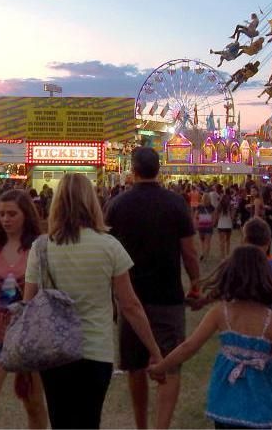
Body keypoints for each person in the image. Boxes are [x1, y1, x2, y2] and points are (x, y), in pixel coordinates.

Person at [25, 173, 165, 429]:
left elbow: (28, 303)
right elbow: (130, 305)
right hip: (95, 350)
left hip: (54, 350)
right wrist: (155, 351)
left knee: (60, 420)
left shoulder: (41, 248)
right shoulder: (109, 246)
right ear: (92, 202)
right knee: (90, 420)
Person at [148, 245, 272, 429]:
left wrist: (161, 367)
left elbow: (188, 347)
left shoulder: (220, 313)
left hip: (225, 407)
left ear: (230, 274)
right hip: (261, 411)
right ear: (266, 276)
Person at [105, 147, 200, 430]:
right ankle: (162, 426)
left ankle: (141, 425)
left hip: (130, 296)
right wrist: (195, 282)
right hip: (168, 296)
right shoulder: (175, 203)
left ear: (132, 171)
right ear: (160, 169)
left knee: (134, 365)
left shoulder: (118, 205)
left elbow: (109, 251)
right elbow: (189, 252)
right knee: (170, 363)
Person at [0, 189, 48, 429]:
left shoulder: (40, 247)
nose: (6, 219)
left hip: (29, 337)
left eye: (12, 214)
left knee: (33, 405)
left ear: (26, 215)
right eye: (1, 214)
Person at [242, 218, 272, 305]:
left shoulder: (236, 262)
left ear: (245, 241)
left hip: (238, 316)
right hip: (263, 315)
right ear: (268, 243)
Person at [215, 186, 234, 260]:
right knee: (228, 241)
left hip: (221, 224)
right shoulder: (230, 205)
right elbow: (232, 216)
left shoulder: (220, 206)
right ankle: (227, 254)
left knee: (221, 241)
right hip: (228, 224)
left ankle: (222, 256)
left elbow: (216, 213)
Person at [195, 194, 216, 261]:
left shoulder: (199, 206)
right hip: (209, 225)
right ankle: (206, 256)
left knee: (202, 241)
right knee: (208, 242)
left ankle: (202, 253)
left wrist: (200, 218)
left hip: (201, 224)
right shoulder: (211, 207)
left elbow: (196, 215)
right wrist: (213, 224)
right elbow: (214, 217)